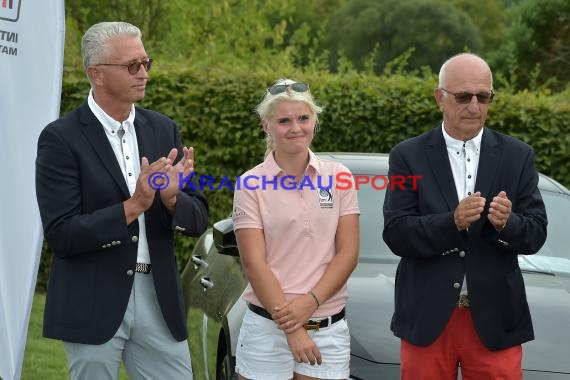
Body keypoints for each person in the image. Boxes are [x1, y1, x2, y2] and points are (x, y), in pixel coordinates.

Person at [35, 21, 208, 380]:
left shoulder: (163, 129)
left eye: (146, 63)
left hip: (158, 298)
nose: (143, 73)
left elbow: (197, 219)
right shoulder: (61, 139)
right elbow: (62, 235)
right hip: (92, 297)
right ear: (96, 74)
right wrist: (134, 206)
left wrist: (173, 200)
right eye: (132, 66)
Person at [382, 52, 548, 380]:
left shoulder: (518, 155)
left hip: (496, 318)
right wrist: (452, 222)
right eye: (463, 97)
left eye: (483, 97)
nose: (474, 106)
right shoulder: (406, 156)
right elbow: (396, 232)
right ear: (439, 98)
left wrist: (507, 223)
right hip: (428, 316)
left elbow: (536, 232)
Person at [231, 79, 360, 380]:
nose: (295, 128)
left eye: (303, 118)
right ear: (267, 126)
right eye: (284, 121)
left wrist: (311, 301)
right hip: (266, 330)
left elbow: (348, 253)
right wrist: (293, 327)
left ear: (315, 119)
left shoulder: (339, 176)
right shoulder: (250, 184)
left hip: (327, 329)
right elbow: (254, 263)